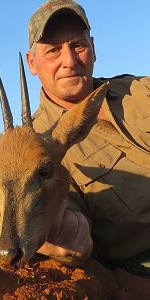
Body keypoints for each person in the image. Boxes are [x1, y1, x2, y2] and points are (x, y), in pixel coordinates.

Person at [26, 0, 150, 276]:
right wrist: (69, 237)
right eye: (53, 51)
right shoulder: (36, 148)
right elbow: (65, 215)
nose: (69, 61)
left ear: (93, 48)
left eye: (77, 46)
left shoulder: (141, 89)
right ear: (32, 63)